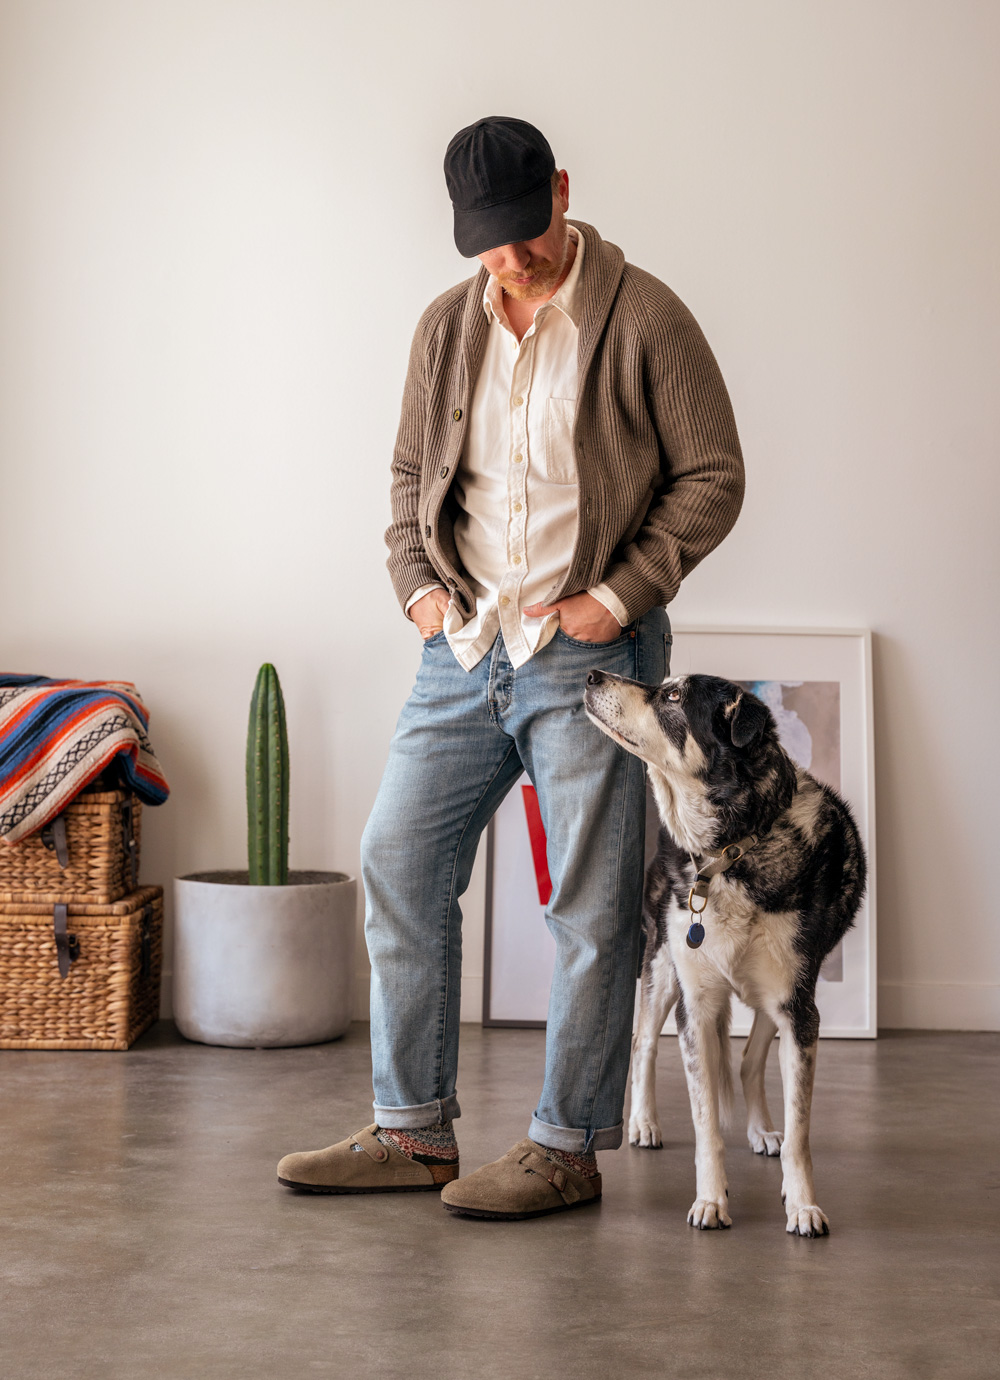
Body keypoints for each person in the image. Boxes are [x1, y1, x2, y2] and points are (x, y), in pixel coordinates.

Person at [277, 116, 744, 1219]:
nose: (511, 262)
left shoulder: (644, 316)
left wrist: (616, 595)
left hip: (590, 659)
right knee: (398, 859)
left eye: (525, 237)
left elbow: (712, 476)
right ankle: (411, 1133)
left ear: (563, 195)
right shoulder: (447, 326)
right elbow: (408, 479)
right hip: (466, 649)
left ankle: (565, 1148)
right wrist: (419, 590)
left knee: (586, 909)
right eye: (487, 245)